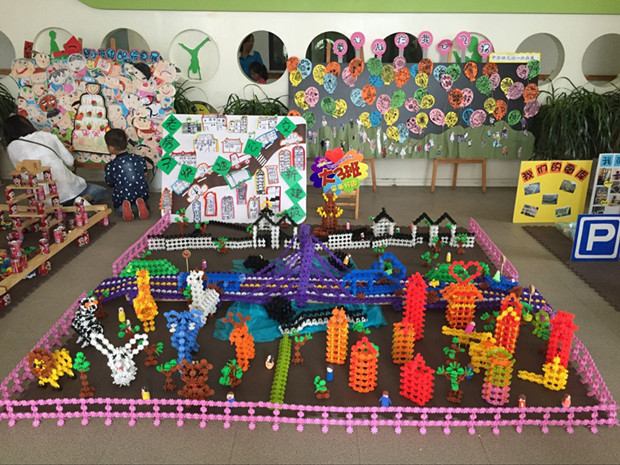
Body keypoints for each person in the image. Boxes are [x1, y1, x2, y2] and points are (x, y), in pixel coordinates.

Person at [3, 114, 108, 206]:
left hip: (44, 199)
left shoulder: (11, 148)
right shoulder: (47, 136)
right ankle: (83, 200)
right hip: (72, 190)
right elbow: (70, 162)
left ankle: (65, 206)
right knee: (101, 190)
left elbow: (23, 174)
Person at [104, 128, 150, 221]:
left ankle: (124, 205)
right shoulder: (139, 158)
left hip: (123, 194)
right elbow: (145, 174)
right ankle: (140, 201)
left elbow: (110, 183)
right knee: (142, 197)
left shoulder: (111, 165)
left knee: (118, 207)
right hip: (141, 191)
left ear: (111, 148)